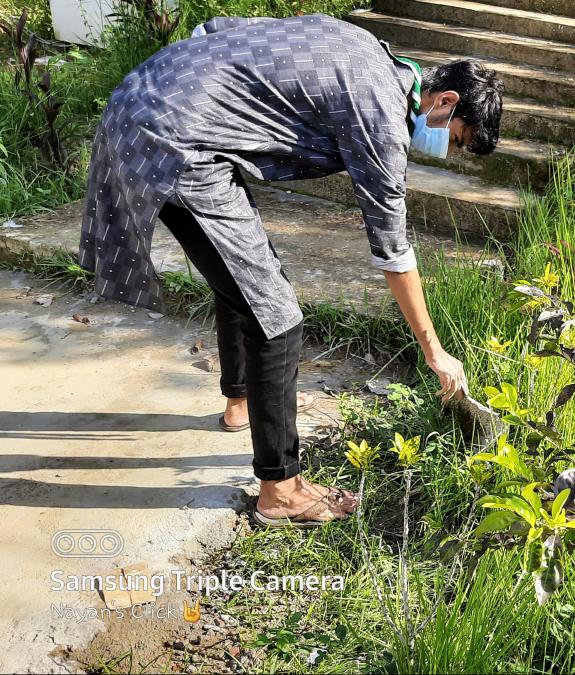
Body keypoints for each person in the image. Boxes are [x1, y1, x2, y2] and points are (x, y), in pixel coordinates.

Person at [78, 13, 504, 526]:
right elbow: (393, 249)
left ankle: (240, 403)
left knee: (244, 279)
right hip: (175, 144)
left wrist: (209, 100)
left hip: (142, 103)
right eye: (456, 140)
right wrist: (434, 351)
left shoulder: (365, 47)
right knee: (278, 319)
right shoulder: (382, 116)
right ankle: (280, 491)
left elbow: (214, 29)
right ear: (446, 101)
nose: (447, 153)